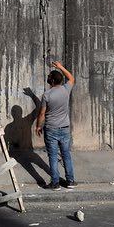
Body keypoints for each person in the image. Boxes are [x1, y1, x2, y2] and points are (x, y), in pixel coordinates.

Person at [35, 61, 77, 190]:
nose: (48, 78)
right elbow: (71, 78)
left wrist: (38, 126)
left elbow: (42, 113)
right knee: (66, 155)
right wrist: (60, 67)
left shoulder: (47, 95)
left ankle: (55, 183)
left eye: (49, 77)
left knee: (53, 156)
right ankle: (70, 181)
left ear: (52, 81)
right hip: (64, 128)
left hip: (51, 129)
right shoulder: (66, 89)